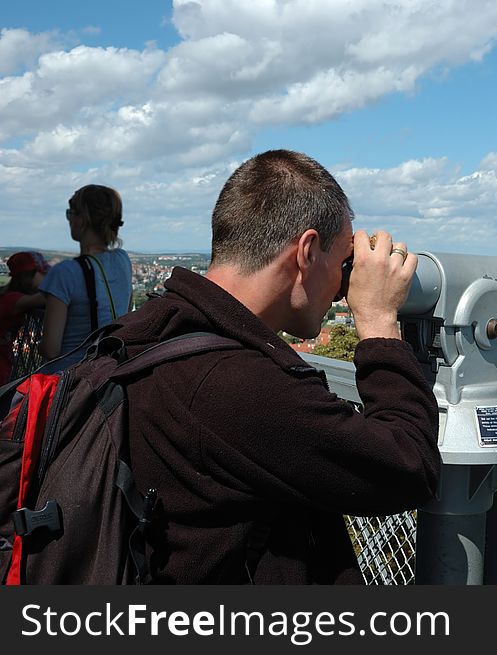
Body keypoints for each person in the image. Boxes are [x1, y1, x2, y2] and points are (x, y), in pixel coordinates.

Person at [108, 149, 442, 584]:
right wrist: (379, 325)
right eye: (344, 264)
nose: (344, 288)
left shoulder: (144, 332)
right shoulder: (233, 384)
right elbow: (409, 466)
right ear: (306, 251)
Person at [38, 184, 132, 372]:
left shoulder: (65, 273)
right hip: (107, 374)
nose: (69, 220)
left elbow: (51, 349)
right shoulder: (123, 260)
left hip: (67, 381)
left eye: (71, 213)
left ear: (83, 220)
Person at [0, 251, 50, 384]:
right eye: (42, 274)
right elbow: (47, 296)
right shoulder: (11, 300)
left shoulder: (8, 296)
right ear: (28, 276)